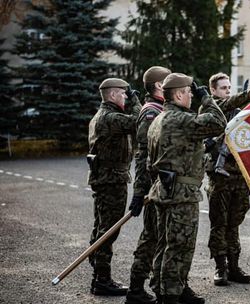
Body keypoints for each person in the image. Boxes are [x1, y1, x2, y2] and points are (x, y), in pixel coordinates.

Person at [146, 73, 227, 304]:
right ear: (179, 93)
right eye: (190, 92)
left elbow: (151, 163)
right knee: (180, 247)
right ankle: (170, 295)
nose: (192, 95)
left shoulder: (159, 120)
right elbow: (218, 123)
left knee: (165, 244)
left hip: (164, 190)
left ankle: (168, 289)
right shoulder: (179, 119)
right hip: (181, 194)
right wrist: (207, 100)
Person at [205, 72, 250, 286]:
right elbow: (228, 104)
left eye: (229, 87)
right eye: (223, 88)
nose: (227, 91)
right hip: (220, 176)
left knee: (235, 222)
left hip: (239, 175)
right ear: (213, 90)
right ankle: (220, 267)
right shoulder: (210, 109)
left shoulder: (239, 111)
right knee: (219, 223)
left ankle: (234, 266)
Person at [87, 78, 141, 296]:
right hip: (111, 180)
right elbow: (138, 122)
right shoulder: (109, 118)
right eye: (123, 94)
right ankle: (102, 279)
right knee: (108, 230)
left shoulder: (105, 116)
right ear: (112, 95)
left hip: (108, 178)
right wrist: (137, 102)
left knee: (102, 227)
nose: (126, 97)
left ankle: (98, 273)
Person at [125, 66, 171, 304]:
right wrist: (139, 192)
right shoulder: (150, 113)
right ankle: (135, 288)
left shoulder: (164, 109)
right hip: (154, 188)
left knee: (164, 238)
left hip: (165, 188)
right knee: (151, 237)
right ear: (159, 86)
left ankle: (163, 285)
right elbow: (143, 156)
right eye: (168, 80)